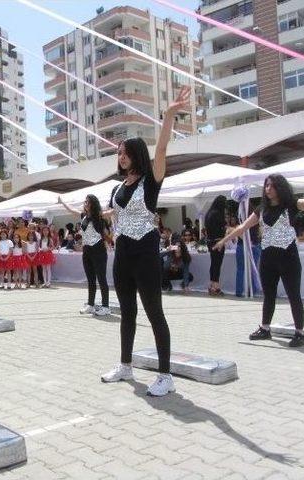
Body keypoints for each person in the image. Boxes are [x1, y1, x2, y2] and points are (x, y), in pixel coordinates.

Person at [100, 86, 191, 396]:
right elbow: (115, 213)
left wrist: (168, 116)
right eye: (118, 154)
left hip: (146, 253)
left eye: (124, 153)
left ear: (136, 154)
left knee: (154, 312)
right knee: (127, 312)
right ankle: (125, 366)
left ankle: (165, 375)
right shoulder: (119, 186)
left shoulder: (151, 180)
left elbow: (162, 150)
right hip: (122, 254)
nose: (120, 157)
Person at [215, 175, 304, 347]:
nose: (268, 189)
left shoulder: (290, 205)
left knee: (293, 295)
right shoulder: (261, 209)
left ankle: (299, 333)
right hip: (268, 259)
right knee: (269, 295)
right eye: (266, 186)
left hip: (288, 258)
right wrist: (224, 240)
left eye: (272, 186)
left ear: (280, 188)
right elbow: (243, 227)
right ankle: (265, 329)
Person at [58, 194, 111, 315]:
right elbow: (71, 210)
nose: (85, 203)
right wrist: (62, 202)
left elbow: (112, 212)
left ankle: (106, 306)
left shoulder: (99, 215)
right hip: (86, 251)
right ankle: (90, 304)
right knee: (90, 279)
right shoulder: (83, 216)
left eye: (87, 202)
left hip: (99, 250)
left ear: (93, 204)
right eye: (85, 202)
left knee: (101, 279)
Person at [205, 195, 227, 296]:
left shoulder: (209, 213)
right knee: (217, 264)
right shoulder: (218, 214)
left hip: (210, 241)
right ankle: (216, 286)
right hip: (218, 241)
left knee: (213, 263)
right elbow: (223, 227)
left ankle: (211, 285)